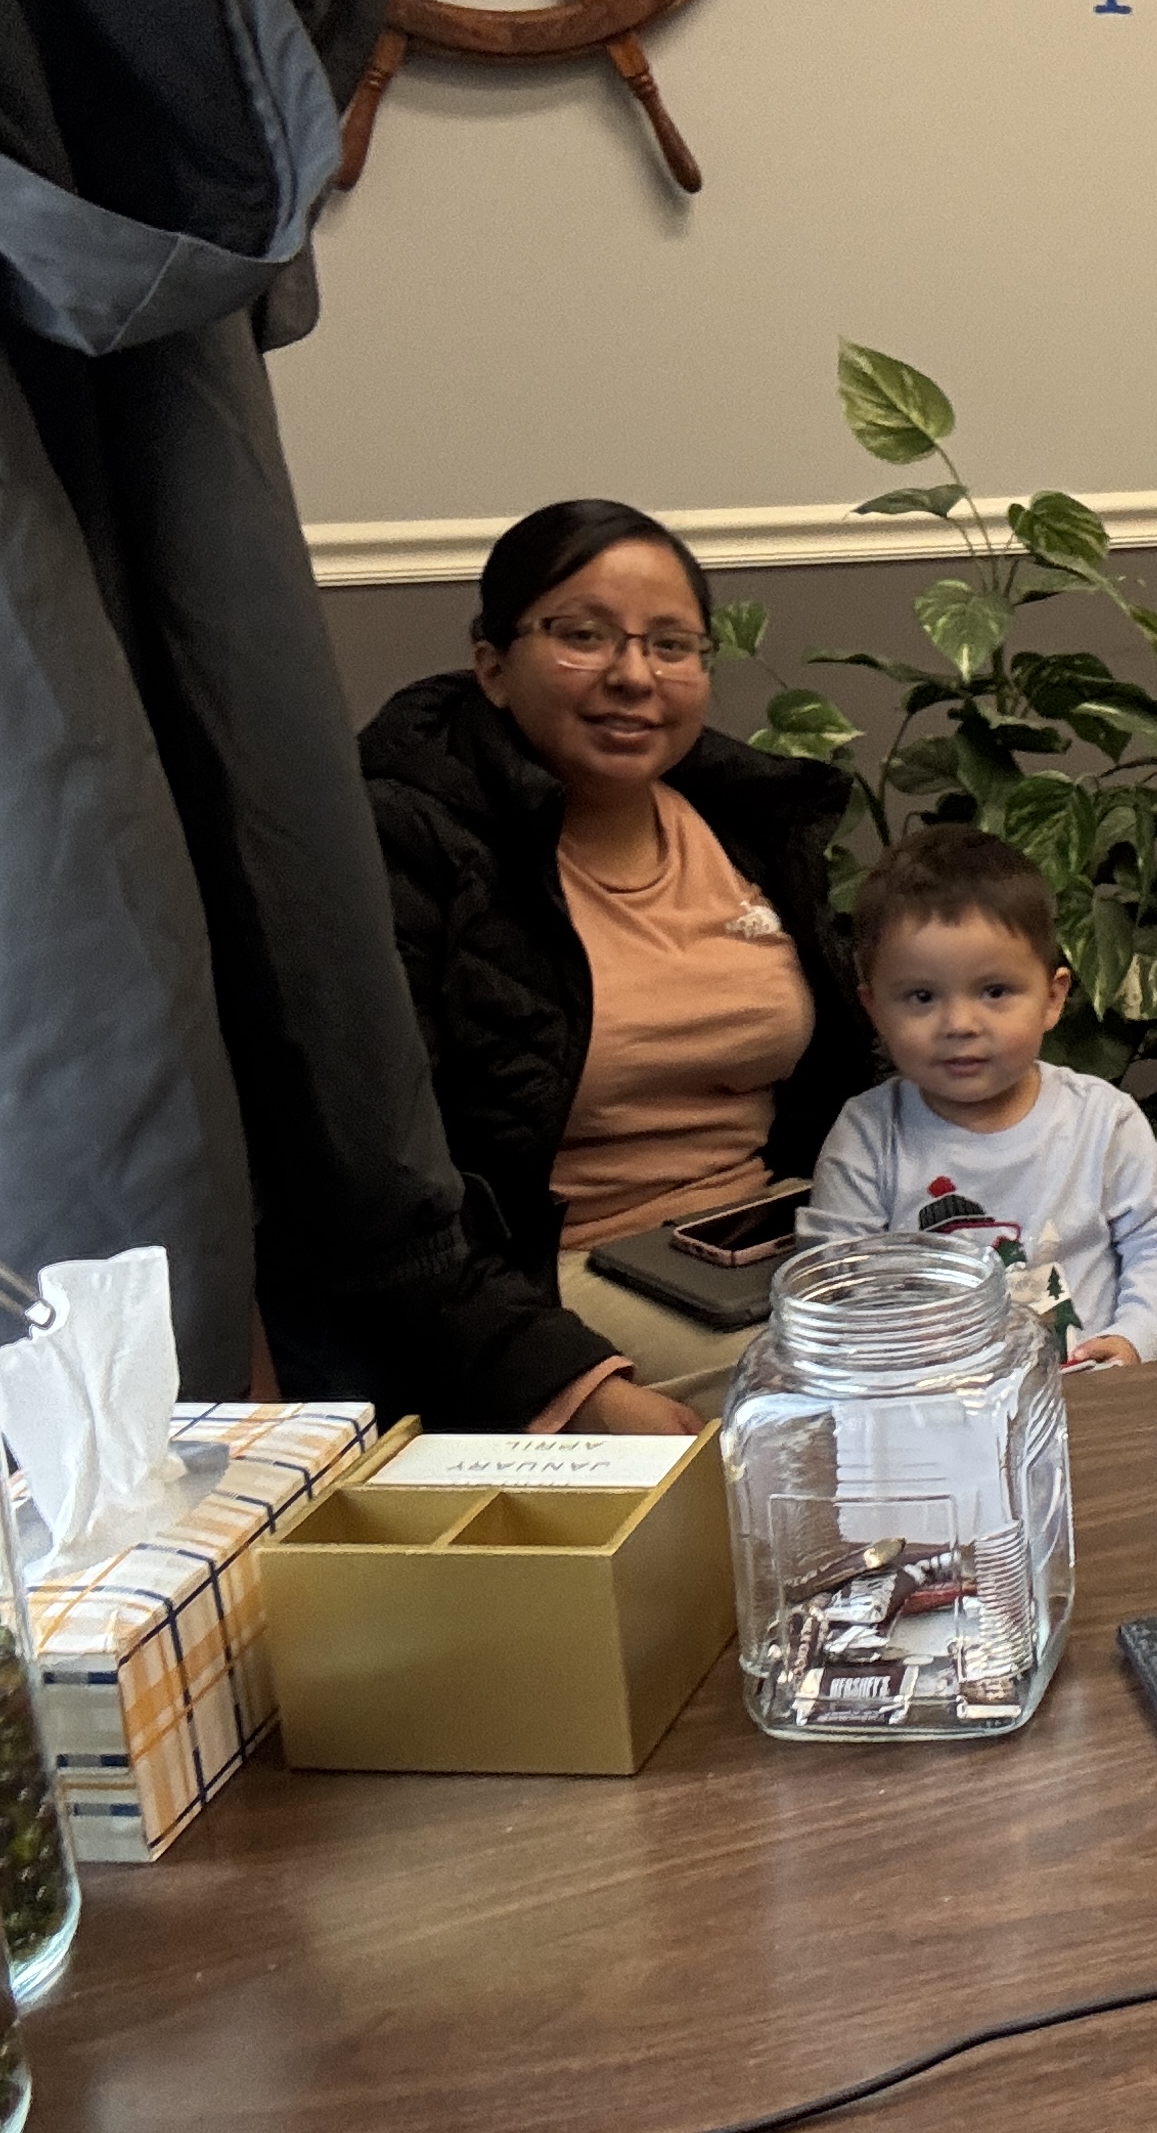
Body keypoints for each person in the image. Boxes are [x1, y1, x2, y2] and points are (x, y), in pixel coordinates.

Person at [359, 499, 876, 1434]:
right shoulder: (404, 849)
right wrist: (573, 1385)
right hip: (553, 1281)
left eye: (671, 645)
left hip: (783, 1230)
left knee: (1023, 1329)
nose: (634, 675)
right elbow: (381, 1186)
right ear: (493, 666)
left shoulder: (747, 823)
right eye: (583, 636)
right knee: (855, 1408)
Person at [803, 824, 1157, 1367]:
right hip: (927, 1400)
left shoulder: (1101, 1121)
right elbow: (834, 1285)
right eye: (921, 996)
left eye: (995, 991)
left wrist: (1134, 1338)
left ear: (1052, 998)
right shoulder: (868, 1137)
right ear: (875, 1008)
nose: (960, 1023)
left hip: (1088, 1388)